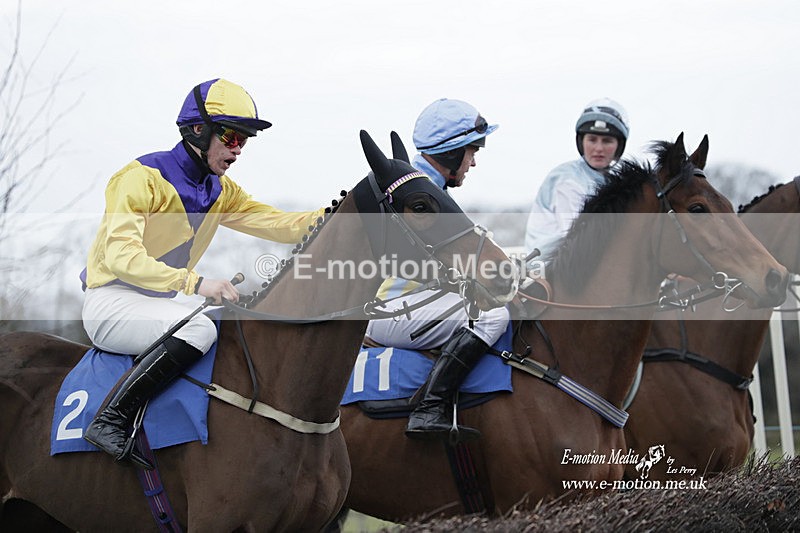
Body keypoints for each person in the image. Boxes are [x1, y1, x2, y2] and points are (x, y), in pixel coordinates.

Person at [80, 78, 323, 469]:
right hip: (112, 301)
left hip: (163, 303)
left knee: (236, 327)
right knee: (198, 329)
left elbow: (279, 224)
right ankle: (111, 418)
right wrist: (195, 283)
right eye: (230, 136)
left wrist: (339, 215)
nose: (238, 148)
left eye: (244, 140)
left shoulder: (221, 191)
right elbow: (122, 255)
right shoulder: (139, 178)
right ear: (198, 130)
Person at [365, 98, 510, 441]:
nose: (473, 162)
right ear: (449, 152)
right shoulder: (420, 192)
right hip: (392, 309)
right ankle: (430, 407)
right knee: (492, 317)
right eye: (471, 152)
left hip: (412, 304)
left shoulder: (427, 188)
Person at [524, 98, 630, 258]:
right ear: (581, 142)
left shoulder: (616, 181)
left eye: (607, 141)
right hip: (548, 269)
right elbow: (580, 237)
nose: (599, 148)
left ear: (619, 146)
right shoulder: (567, 180)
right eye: (592, 140)